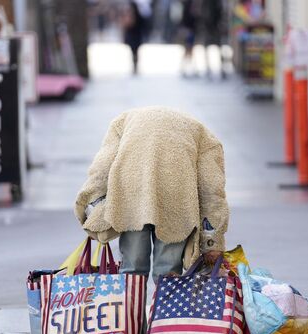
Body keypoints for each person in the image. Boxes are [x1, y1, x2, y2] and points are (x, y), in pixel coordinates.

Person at [75, 107, 229, 285]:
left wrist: (92, 204)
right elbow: (211, 190)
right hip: (176, 198)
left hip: (132, 196)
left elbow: (102, 166)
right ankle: (165, 311)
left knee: (132, 271)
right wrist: (212, 241)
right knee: (168, 273)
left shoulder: (122, 121)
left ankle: (131, 311)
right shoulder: (202, 133)